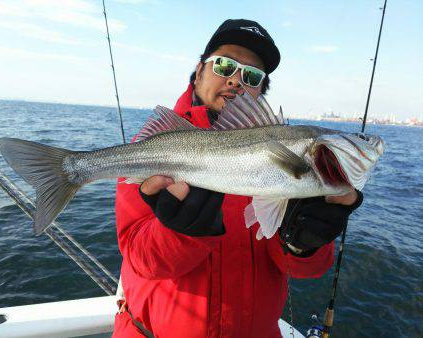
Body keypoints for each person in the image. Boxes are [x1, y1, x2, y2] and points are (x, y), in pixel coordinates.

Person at [113, 19, 362, 338]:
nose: (235, 80)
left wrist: (303, 244)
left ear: (261, 90)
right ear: (199, 70)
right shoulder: (151, 151)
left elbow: (304, 270)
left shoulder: (287, 158)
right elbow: (141, 260)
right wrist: (179, 233)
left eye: (252, 75)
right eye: (224, 65)